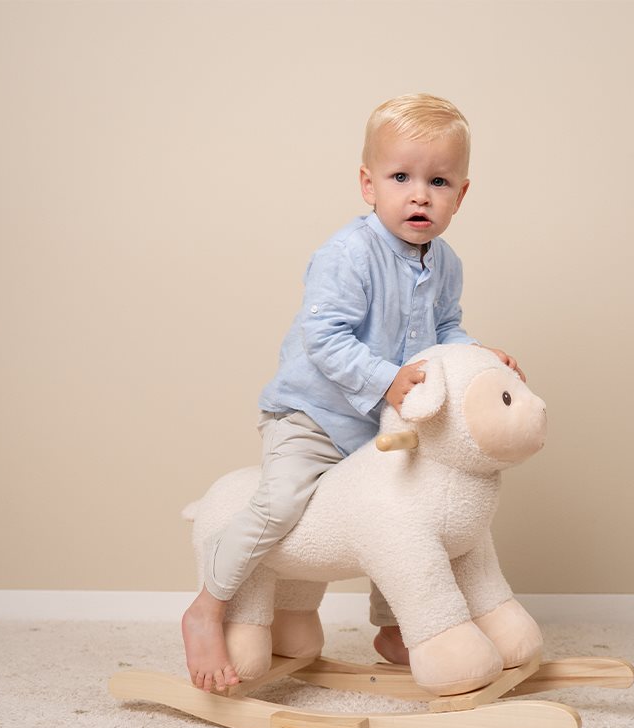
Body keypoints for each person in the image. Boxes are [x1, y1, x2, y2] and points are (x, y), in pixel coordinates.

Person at [182, 93, 526, 692]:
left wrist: (475, 353)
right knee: (279, 503)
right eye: (401, 177)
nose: (419, 194)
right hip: (313, 416)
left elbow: (444, 332)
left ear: (461, 195)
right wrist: (386, 379)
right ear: (369, 185)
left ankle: (399, 629)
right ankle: (208, 607)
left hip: (379, 421)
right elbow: (323, 338)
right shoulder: (349, 253)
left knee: (407, 510)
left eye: (438, 181)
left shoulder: (444, 263)